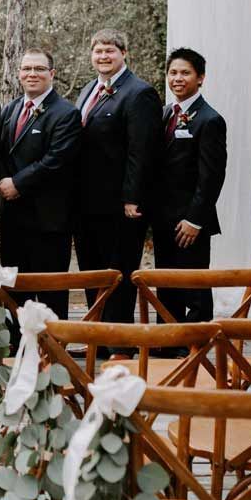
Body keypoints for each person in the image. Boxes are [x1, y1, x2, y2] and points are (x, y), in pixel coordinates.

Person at [73, 29, 163, 329]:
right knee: (92, 269)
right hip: (86, 201)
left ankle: (118, 339)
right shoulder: (88, 89)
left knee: (119, 271)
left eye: (110, 51)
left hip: (120, 204)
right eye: (98, 51)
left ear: (124, 54)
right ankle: (96, 334)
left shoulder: (140, 93)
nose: (103, 56)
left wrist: (132, 198)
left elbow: (142, 151)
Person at [0, 49, 81, 319]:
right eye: (26, 69)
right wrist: (0, 181)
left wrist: (17, 183)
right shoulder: (10, 109)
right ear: (19, 73)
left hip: (48, 218)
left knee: (49, 288)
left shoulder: (66, 113)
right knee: (16, 285)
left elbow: (57, 160)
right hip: (13, 215)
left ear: (51, 74)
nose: (32, 74)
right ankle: (17, 344)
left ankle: (52, 347)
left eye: (39, 69)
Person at [151, 48, 226, 323]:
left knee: (193, 285)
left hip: (190, 221)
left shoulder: (210, 119)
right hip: (163, 218)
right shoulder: (165, 113)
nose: (177, 78)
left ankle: (197, 342)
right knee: (166, 282)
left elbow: (212, 177)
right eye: (173, 72)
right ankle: (168, 341)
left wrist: (194, 220)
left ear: (201, 77)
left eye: (185, 73)